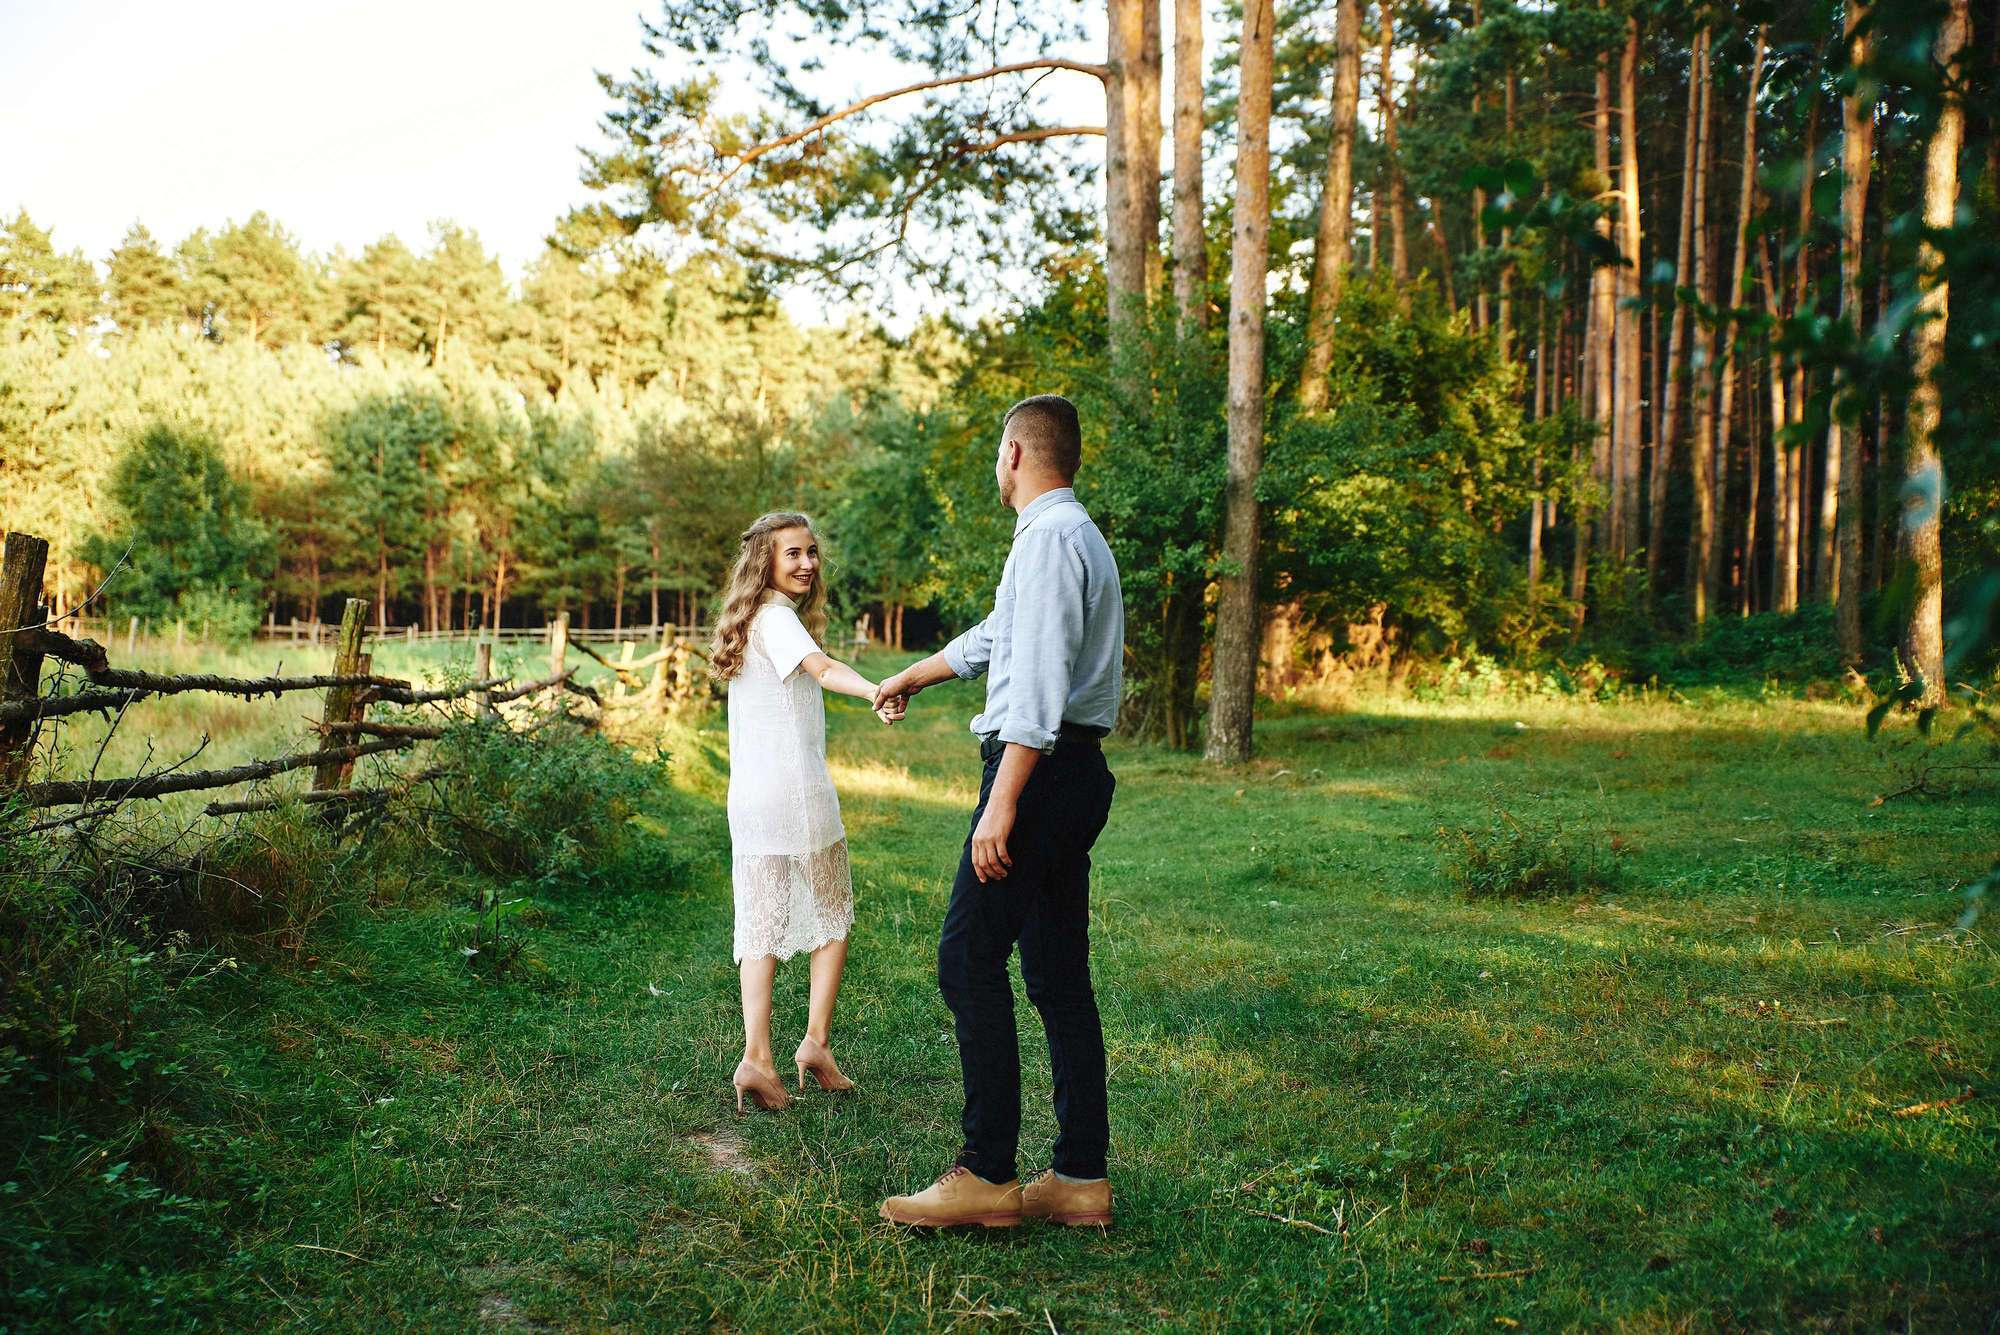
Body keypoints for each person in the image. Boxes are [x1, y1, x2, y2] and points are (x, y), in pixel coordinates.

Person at [871, 395, 1125, 1229]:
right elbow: (997, 637)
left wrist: (1002, 802)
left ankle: (985, 1170)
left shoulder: (1050, 538)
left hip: (1040, 777)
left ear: (1015, 453)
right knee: (1055, 976)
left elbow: (1040, 682)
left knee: (967, 959)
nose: (996, 465)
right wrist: (917, 672)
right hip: (1072, 773)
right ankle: (1080, 1177)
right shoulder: (1067, 534)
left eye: (996, 452)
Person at [709, 511, 898, 1113]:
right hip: (796, 791)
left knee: (759, 925)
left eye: (812, 552)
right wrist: (875, 690)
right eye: (792, 553)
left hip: (751, 799)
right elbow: (823, 668)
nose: (807, 563)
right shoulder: (779, 618)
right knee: (832, 910)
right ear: (764, 560)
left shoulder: (749, 620)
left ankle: (757, 1059)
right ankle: (814, 1043)